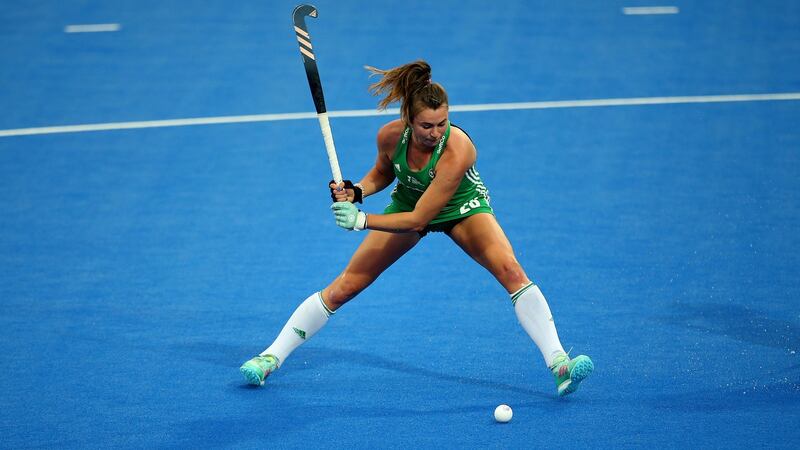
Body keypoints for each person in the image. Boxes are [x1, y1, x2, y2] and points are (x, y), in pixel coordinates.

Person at [240, 60, 593, 397]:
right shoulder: (390, 136)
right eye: (427, 126)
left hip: (460, 207)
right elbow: (384, 172)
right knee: (345, 286)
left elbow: (419, 220)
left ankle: (559, 363)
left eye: (443, 123)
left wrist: (362, 220)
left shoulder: (458, 149)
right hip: (410, 201)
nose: (436, 133)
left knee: (510, 270)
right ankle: (270, 357)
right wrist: (357, 191)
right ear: (408, 120)